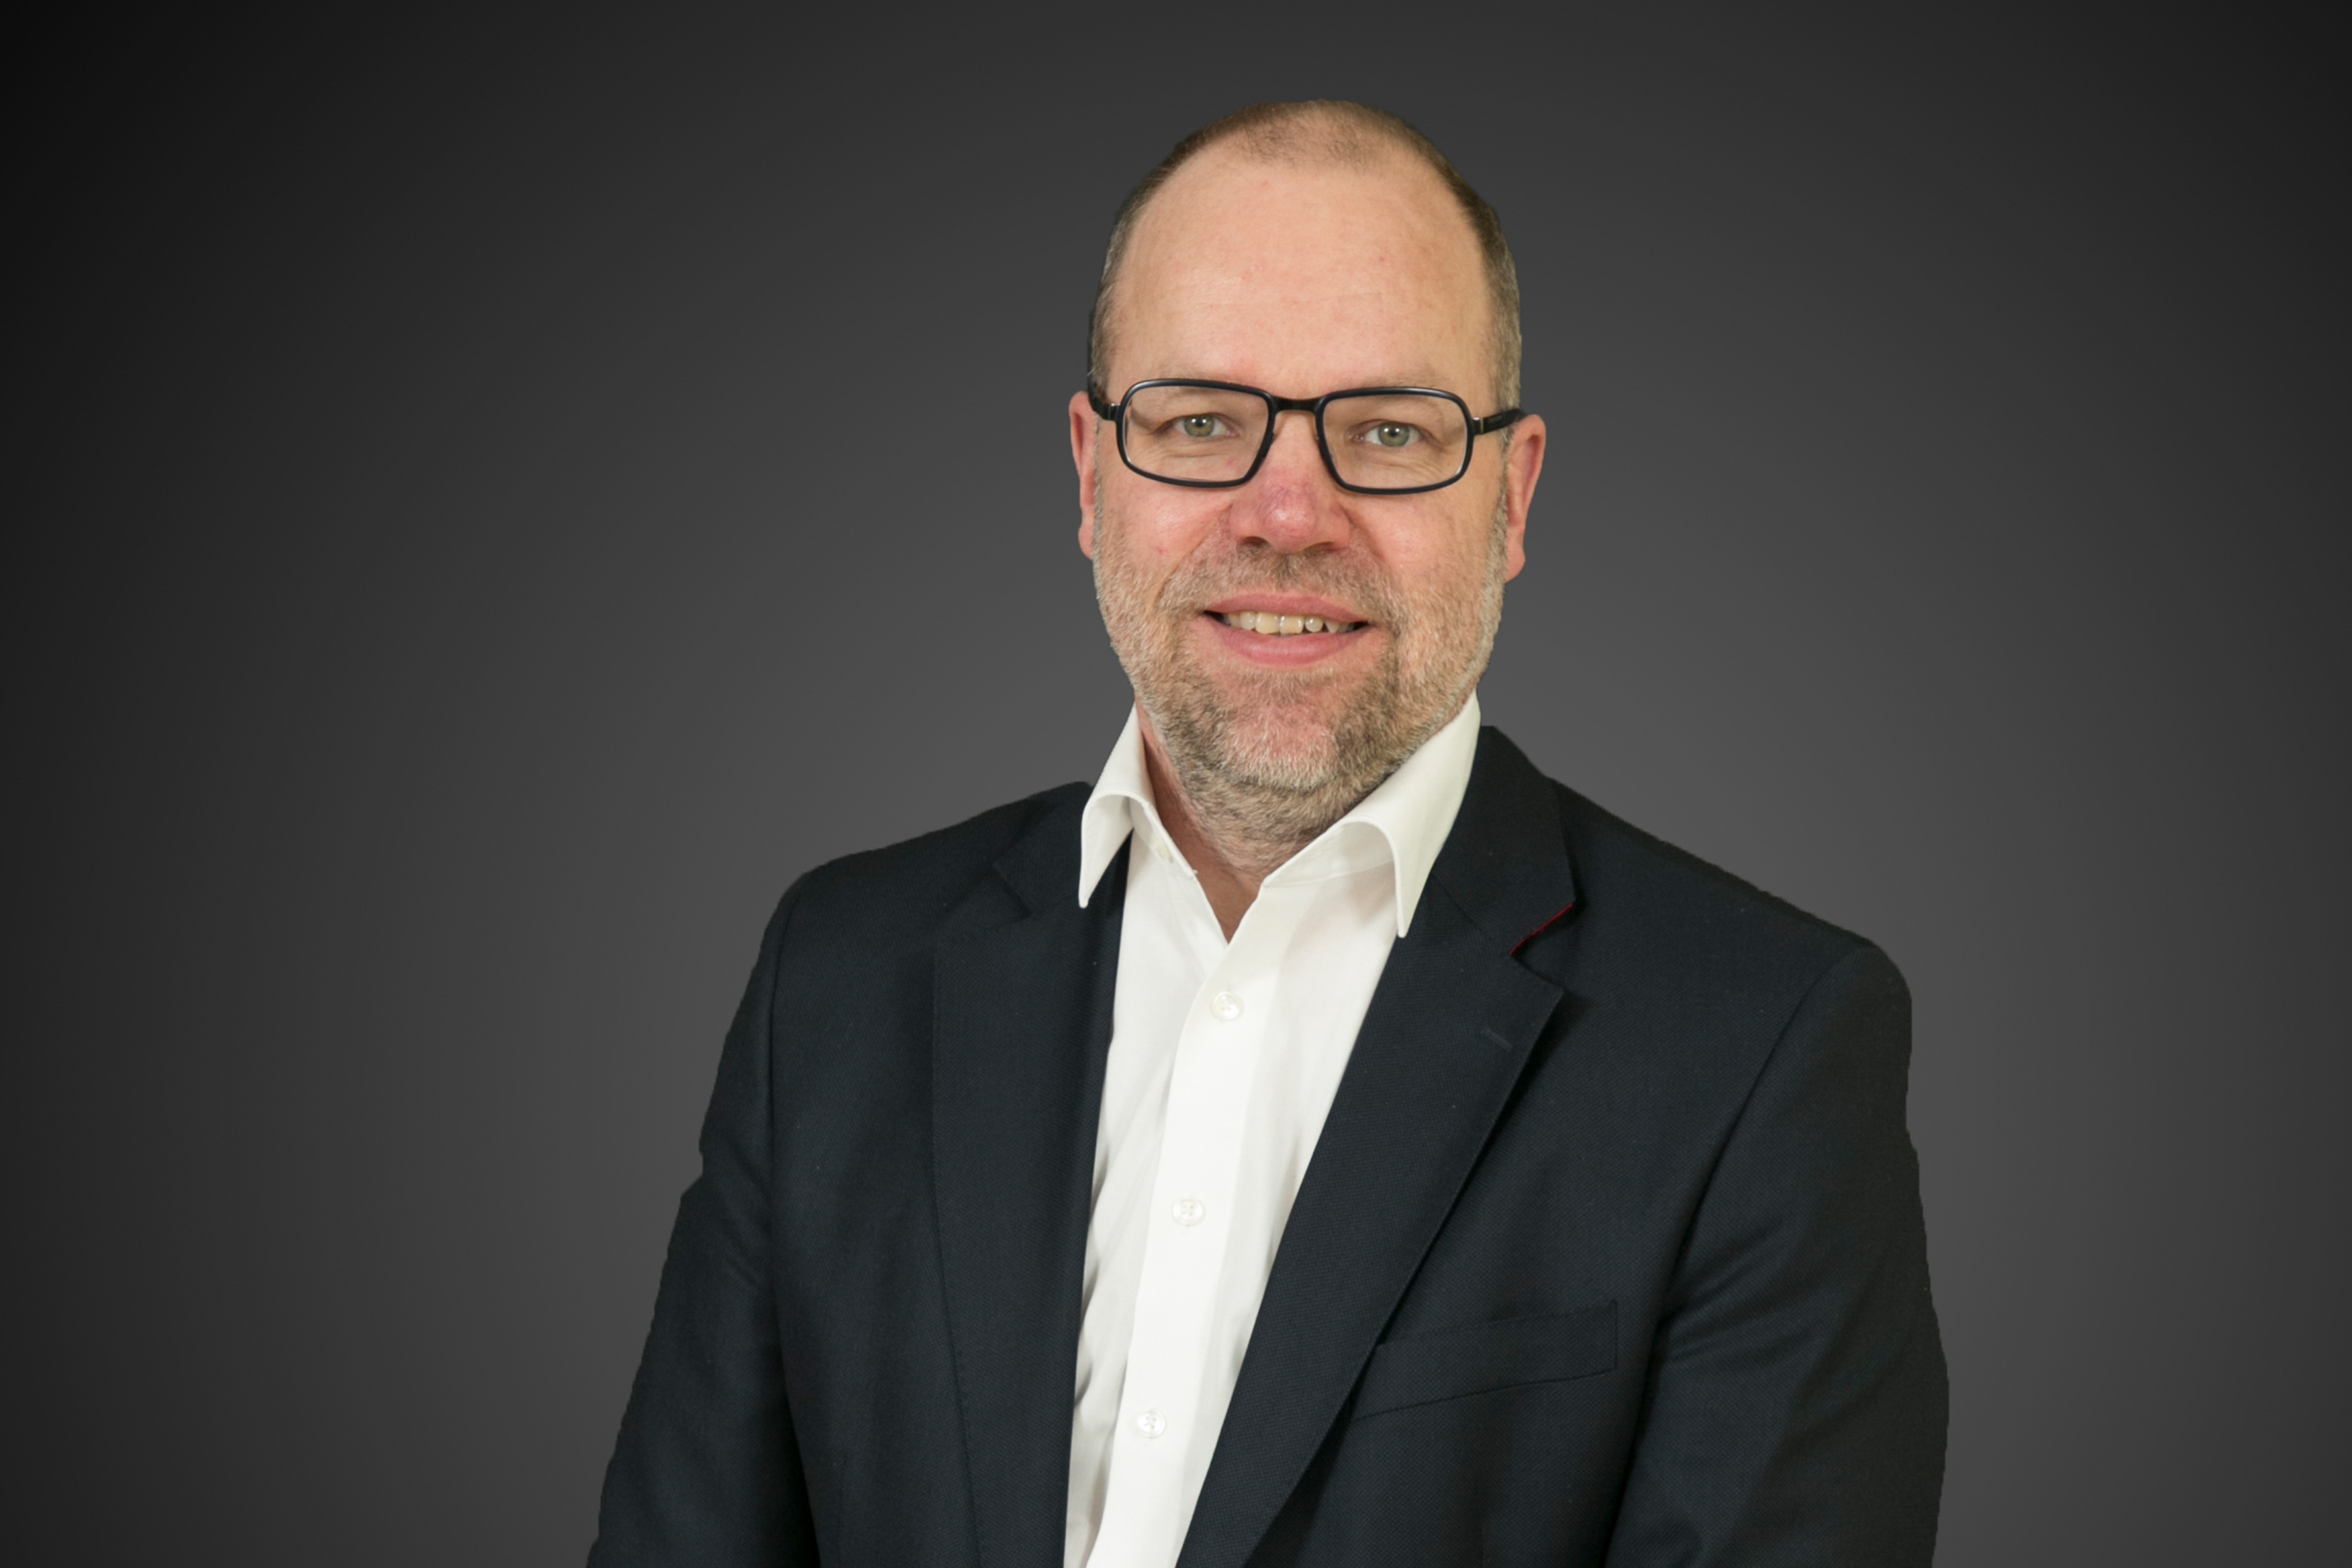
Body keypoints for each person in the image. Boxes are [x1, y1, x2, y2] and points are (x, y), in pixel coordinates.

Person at [588, 100, 1947, 1568]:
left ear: (1512, 497)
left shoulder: (1764, 1050)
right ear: (1092, 474)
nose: (1289, 512)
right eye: (1199, 423)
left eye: (1388, 430)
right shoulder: (837, 976)